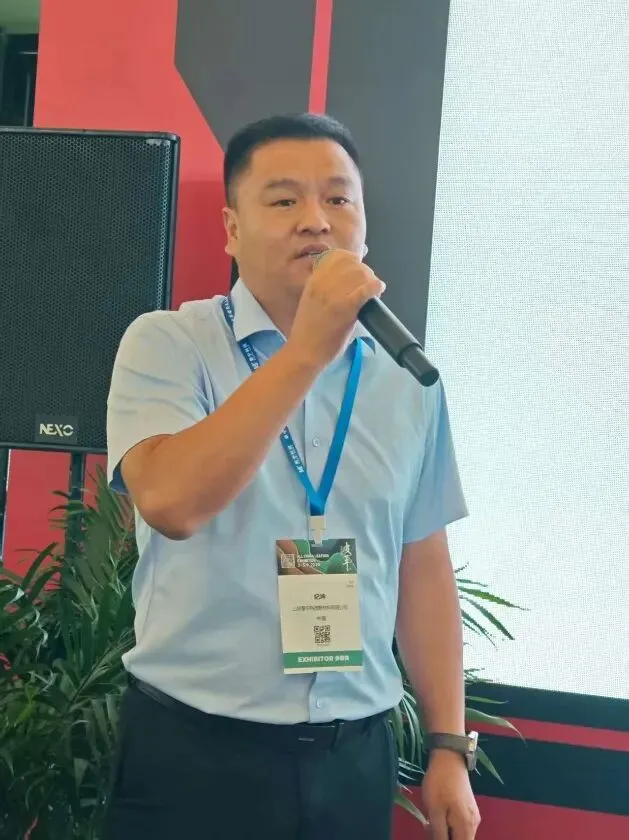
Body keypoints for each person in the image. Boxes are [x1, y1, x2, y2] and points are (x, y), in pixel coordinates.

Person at [103, 112, 481, 840]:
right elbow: (171, 502)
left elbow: (423, 561)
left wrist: (446, 745)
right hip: (195, 755)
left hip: (353, 757)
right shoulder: (169, 344)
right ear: (231, 229)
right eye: (283, 200)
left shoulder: (406, 378)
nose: (316, 220)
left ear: (363, 227)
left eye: (338, 199)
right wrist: (306, 351)